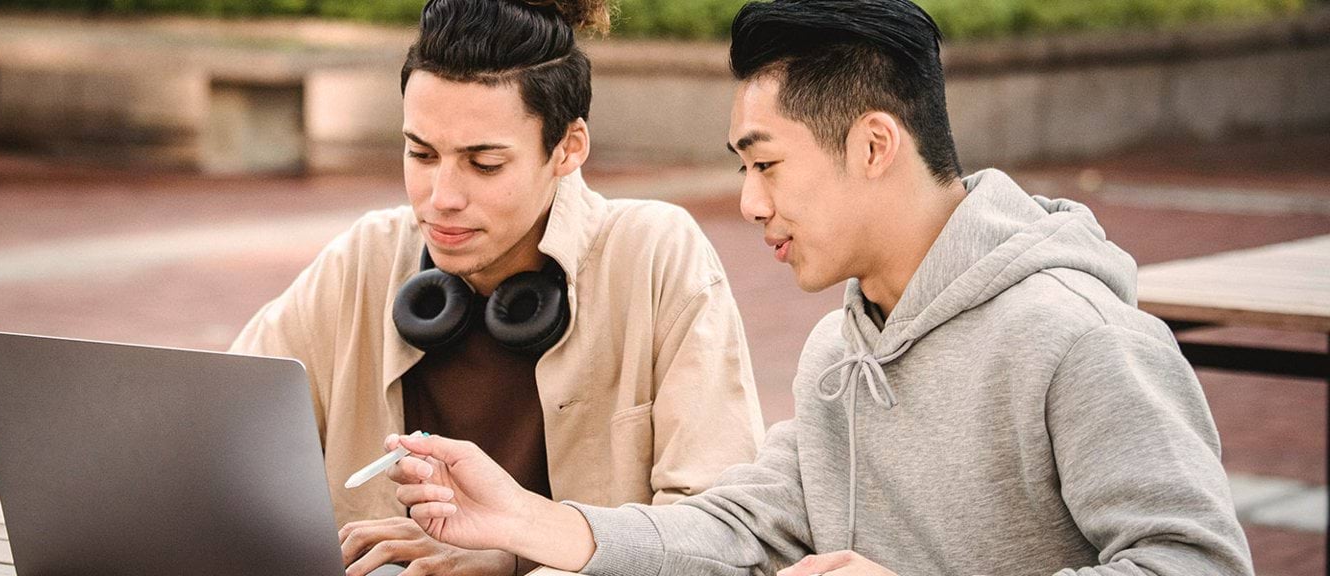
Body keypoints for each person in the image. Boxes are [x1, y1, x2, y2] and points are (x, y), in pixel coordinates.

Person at [380, 0, 1255, 574]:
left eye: (766, 164)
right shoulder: (841, 350)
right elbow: (740, 529)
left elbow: (1200, 562)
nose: (750, 202)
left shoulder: (1080, 337)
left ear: (874, 146)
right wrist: (532, 524)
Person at [229, 0, 765, 573]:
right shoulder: (365, 256)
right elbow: (216, 438)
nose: (441, 197)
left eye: (483, 163)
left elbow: (722, 539)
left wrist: (513, 558)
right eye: (421, 153)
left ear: (568, 148)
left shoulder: (656, 255)